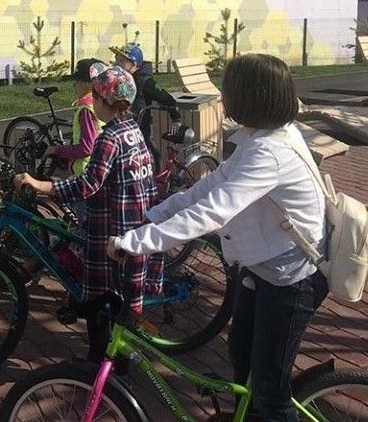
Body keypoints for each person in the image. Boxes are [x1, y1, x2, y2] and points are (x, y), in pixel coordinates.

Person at [107, 54, 328, 422]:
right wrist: (153, 215)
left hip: (292, 279)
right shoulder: (259, 139)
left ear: (249, 97)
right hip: (262, 265)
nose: (221, 95)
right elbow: (210, 185)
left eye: (226, 89)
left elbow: (213, 210)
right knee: (241, 358)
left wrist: (137, 242)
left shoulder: (269, 153)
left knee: (271, 391)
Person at [15, 65, 163, 366]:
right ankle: (118, 361)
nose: (90, 100)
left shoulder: (110, 138)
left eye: (94, 95)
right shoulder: (133, 131)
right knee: (122, 303)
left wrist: (43, 185)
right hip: (135, 227)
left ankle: (103, 366)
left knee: (101, 301)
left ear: (106, 100)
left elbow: (89, 183)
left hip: (111, 231)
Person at [109, 43, 181, 169]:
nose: (116, 63)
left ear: (134, 65)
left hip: (140, 131)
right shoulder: (121, 79)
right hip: (123, 129)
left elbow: (167, 98)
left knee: (146, 161)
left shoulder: (145, 81)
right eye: (116, 59)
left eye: (121, 60)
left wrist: (176, 118)